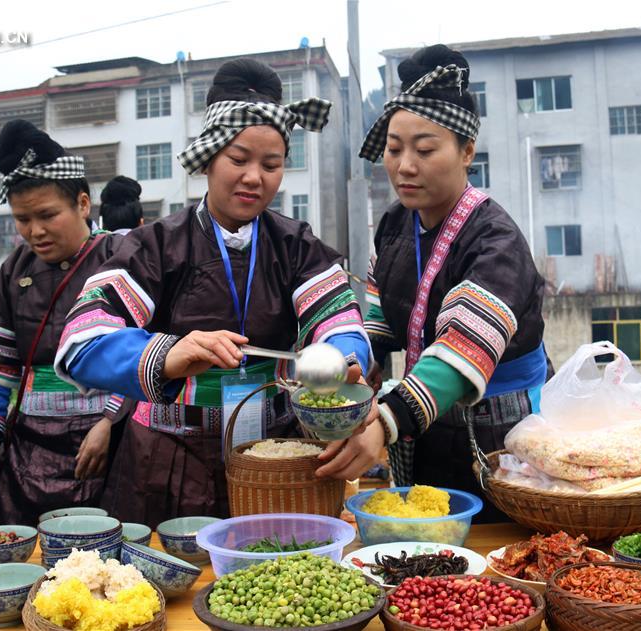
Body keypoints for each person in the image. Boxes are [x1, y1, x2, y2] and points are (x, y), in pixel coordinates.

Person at [54, 59, 380, 527]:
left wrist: (340, 360)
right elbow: (82, 341)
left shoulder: (297, 246)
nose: (255, 177)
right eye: (239, 159)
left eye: (272, 165)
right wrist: (166, 354)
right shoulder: (155, 246)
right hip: (166, 459)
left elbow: (339, 321)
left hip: (277, 454)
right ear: (208, 157)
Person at [358, 45, 549, 523]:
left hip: (502, 435)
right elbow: (381, 307)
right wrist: (364, 360)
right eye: (394, 148)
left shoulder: (495, 240)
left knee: (495, 550)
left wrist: (386, 420)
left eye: (424, 150)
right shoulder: (394, 225)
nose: (405, 166)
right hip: (426, 419)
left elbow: (464, 349)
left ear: (467, 151)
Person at [0, 119, 123, 525]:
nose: (35, 231)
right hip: (30, 451)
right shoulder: (15, 271)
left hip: (107, 444)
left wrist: (112, 421)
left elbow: (156, 354)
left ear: (83, 203)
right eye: (22, 219)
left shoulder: (123, 258)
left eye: (47, 215)